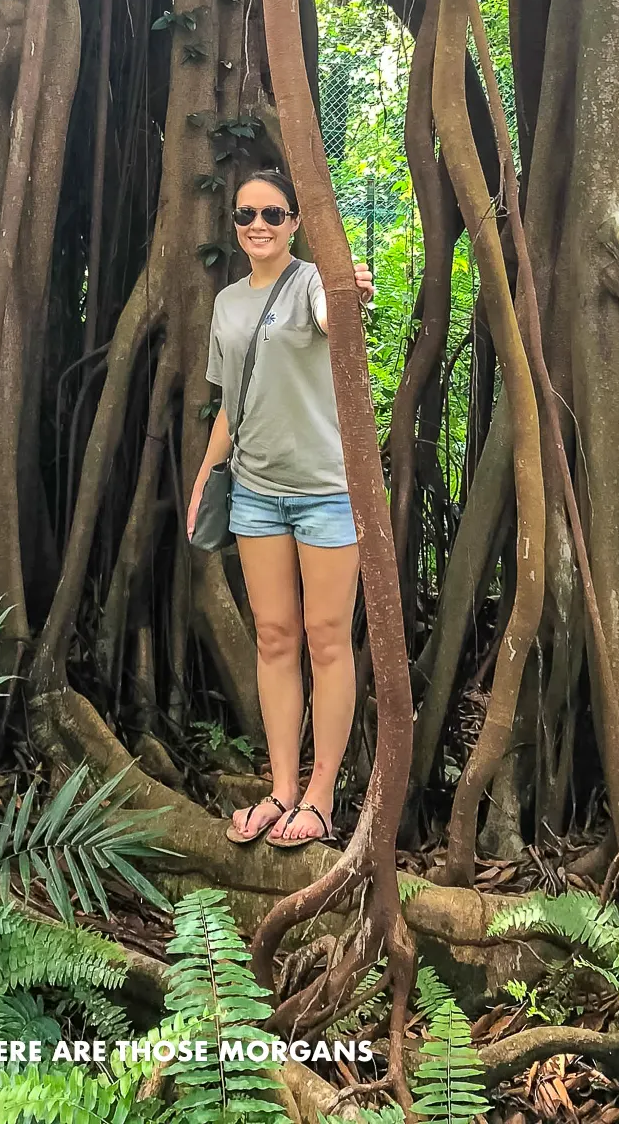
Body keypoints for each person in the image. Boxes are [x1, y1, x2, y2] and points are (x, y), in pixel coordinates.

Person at [186, 169, 373, 849]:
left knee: (327, 639)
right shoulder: (229, 303)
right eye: (244, 215)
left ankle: (322, 796)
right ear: (233, 225)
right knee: (274, 638)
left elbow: (334, 313)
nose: (257, 225)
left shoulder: (315, 283)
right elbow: (230, 408)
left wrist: (347, 292)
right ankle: (283, 788)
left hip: (325, 490)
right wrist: (207, 477)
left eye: (271, 214)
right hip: (257, 495)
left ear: (295, 222)